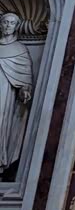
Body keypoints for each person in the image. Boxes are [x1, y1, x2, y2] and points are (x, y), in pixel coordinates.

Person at [0, 11, 32, 174]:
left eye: (12, 23)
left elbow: (24, 78)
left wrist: (25, 90)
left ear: (17, 26)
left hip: (5, 93)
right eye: (5, 22)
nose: (8, 26)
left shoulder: (20, 50)